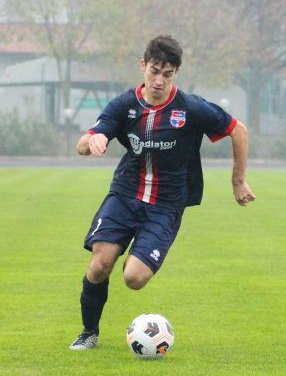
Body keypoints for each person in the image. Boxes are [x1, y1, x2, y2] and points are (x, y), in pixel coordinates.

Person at [70, 35, 256, 350]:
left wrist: (238, 180)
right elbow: (83, 143)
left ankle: (136, 251)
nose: (159, 80)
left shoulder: (191, 107)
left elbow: (238, 130)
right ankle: (89, 332)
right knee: (101, 263)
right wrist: (94, 141)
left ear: (175, 74)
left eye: (167, 74)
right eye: (154, 71)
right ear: (143, 66)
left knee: (134, 278)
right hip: (125, 195)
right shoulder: (124, 105)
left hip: (165, 206)